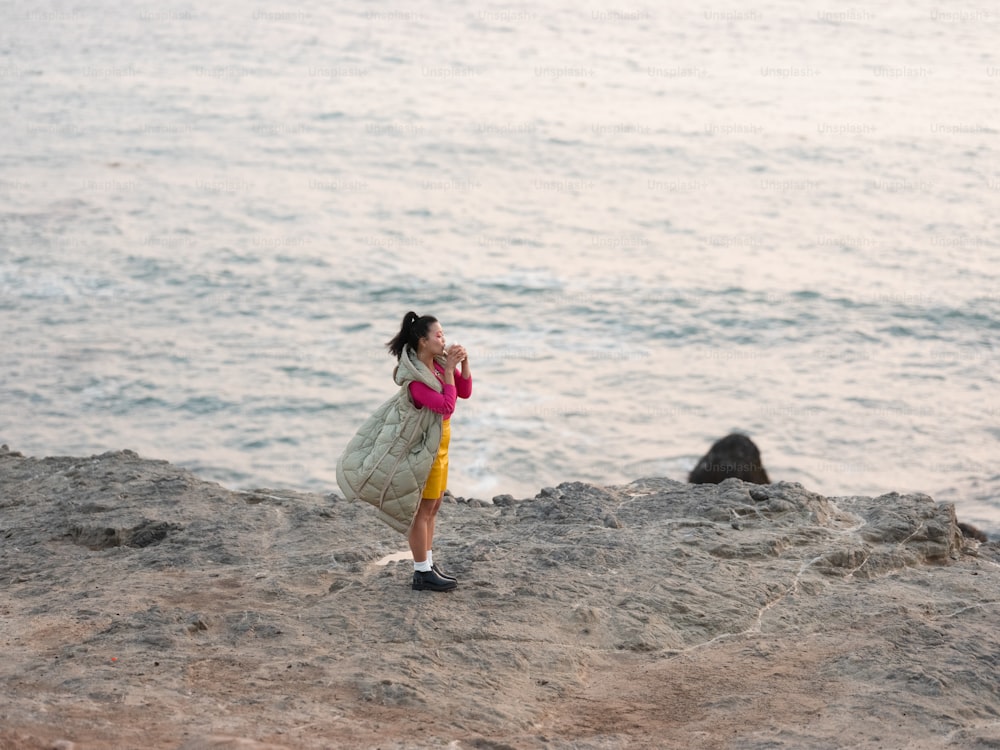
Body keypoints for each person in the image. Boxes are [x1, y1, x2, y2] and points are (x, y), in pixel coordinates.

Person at [386, 311, 472, 592]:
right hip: (425, 447)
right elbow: (446, 406)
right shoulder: (416, 381)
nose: (443, 339)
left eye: (443, 334)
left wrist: (463, 364)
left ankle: (428, 563)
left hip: (441, 443)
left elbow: (464, 391)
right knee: (422, 510)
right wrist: (449, 370)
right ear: (423, 341)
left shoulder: (436, 365)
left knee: (434, 505)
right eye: (438, 335)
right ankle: (421, 572)